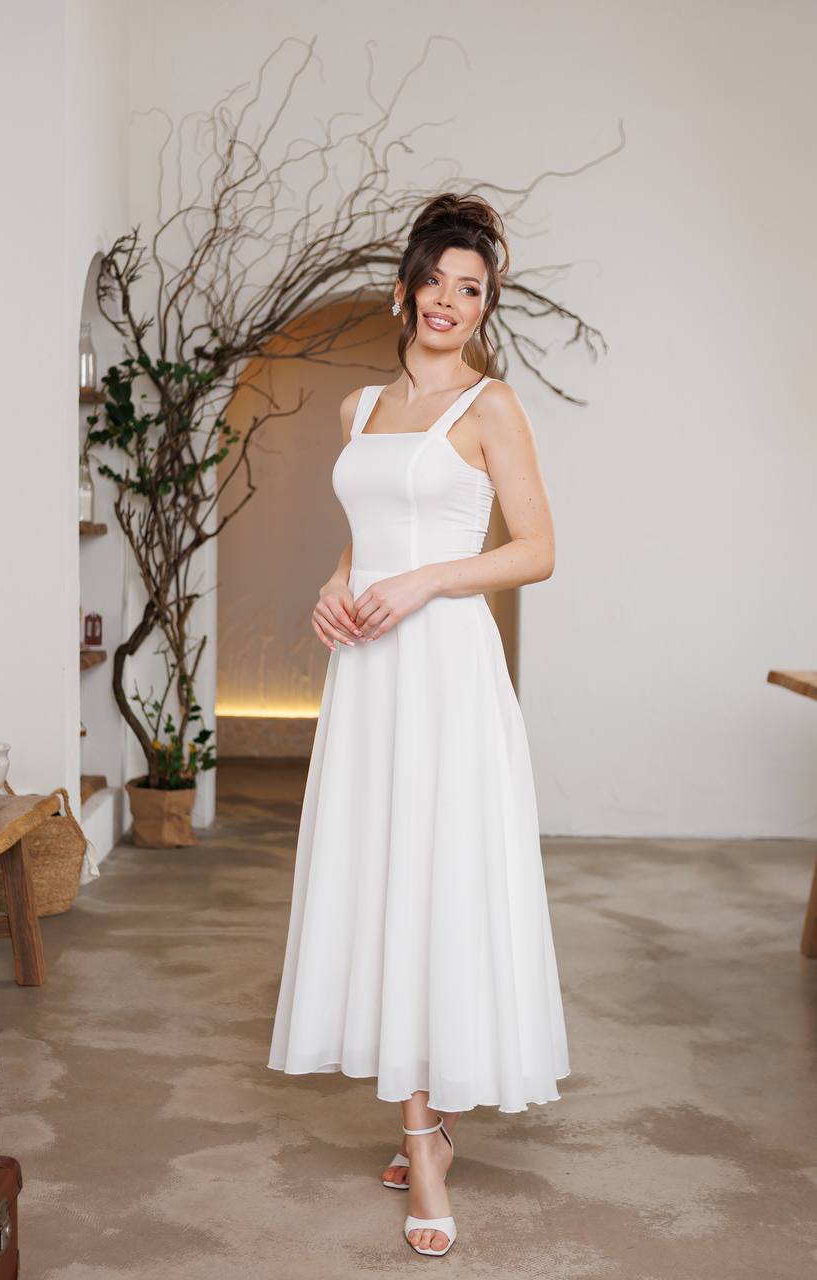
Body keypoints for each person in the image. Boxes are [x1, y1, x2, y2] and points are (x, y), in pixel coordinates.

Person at [267, 191, 570, 1257]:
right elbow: (366, 537)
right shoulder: (356, 410)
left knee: (439, 872)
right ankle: (415, 1107)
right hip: (368, 670)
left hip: (444, 665)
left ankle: (427, 1137)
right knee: (381, 871)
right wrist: (333, 585)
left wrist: (430, 583)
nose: (449, 301)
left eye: (471, 289)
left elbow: (533, 548)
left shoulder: (491, 408)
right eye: (436, 281)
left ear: (484, 310)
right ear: (404, 290)